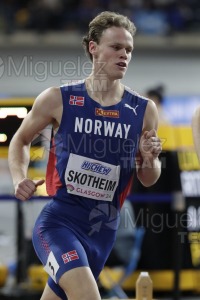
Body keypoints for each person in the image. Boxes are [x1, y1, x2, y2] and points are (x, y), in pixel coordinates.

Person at [8, 11, 162, 300]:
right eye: (116, 47)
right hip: (57, 225)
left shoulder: (143, 110)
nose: (124, 55)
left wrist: (150, 159)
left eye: (128, 49)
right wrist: (20, 178)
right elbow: (21, 139)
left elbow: (149, 178)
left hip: (102, 233)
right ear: (93, 47)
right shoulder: (59, 98)